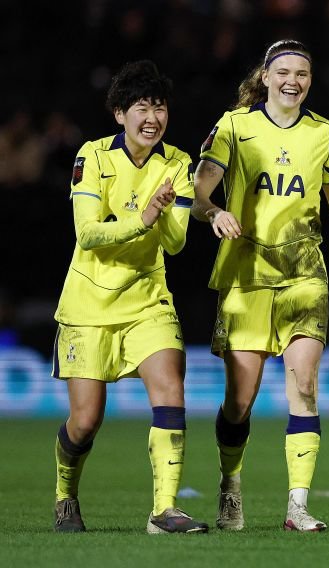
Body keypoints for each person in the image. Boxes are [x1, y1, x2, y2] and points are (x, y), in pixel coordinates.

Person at [192, 39, 329, 532]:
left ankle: (297, 506)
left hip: (305, 272)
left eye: (303, 73)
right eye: (284, 71)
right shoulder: (234, 126)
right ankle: (230, 484)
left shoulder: (324, 132)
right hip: (247, 274)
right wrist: (217, 212)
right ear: (265, 76)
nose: (294, 80)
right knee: (239, 403)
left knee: (304, 386)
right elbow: (198, 193)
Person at [51, 60, 208, 534]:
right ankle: (65, 495)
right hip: (88, 304)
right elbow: (87, 234)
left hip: (147, 299)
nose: (153, 117)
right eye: (142, 107)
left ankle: (164, 510)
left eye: (160, 108)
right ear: (120, 113)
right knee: (85, 421)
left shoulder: (178, 164)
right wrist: (143, 218)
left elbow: (177, 243)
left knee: (170, 387)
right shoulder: (93, 157)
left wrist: (163, 213)